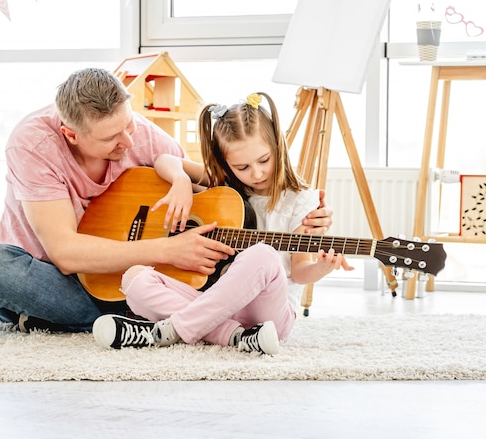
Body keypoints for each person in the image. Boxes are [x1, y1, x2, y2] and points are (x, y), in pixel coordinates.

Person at [0, 69, 333, 333]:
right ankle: (150, 318)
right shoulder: (33, 146)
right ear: (71, 135)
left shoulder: (136, 130)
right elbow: (65, 253)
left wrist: (301, 212)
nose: (129, 141)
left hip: (133, 280)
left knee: (153, 287)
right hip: (57, 278)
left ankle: (144, 319)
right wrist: (168, 250)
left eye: (130, 124)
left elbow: (220, 183)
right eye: (112, 137)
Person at [93, 92, 353, 354]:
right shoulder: (225, 184)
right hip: (218, 307)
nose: (257, 173)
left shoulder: (301, 201)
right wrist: (182, 182)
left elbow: (299, 272)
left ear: (277, 146)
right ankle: (237, 337)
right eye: (242, 167)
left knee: (263, 254)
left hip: (270, 313)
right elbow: (165, 160)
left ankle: (167, 331)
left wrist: (321, 267)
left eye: (264, 160)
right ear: (226, 164)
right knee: (134, 279)